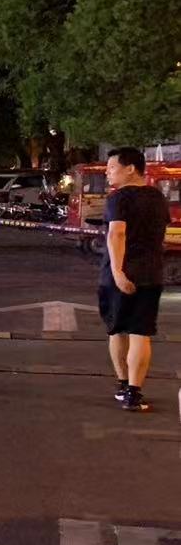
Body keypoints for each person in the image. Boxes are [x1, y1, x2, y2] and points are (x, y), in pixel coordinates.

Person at [100, 147, 169, 413]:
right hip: (150, 273)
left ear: (130, 169)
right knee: (141, 333)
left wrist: (118, 272)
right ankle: (134, 392)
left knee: (117, 330)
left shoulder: (118, 198)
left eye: (112, 167)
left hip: (119, 273)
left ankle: (122, 384)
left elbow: (117, 234)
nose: (107, 172)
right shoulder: (158, 197)